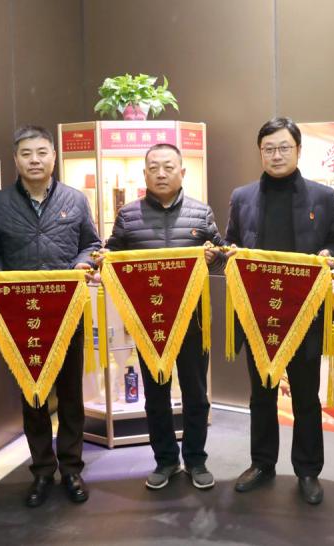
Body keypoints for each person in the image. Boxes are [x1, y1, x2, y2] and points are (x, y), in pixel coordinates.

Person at [0, 125, 101, 508]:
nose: (35, 160)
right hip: (22, 316)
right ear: (16, 159)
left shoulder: (75, 199)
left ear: (53, 157)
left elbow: (91, 244)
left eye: (42, 152)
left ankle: (72, 468)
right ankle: (42, 470)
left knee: (71, 394)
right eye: (26, 154)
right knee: (33, 394)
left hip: (67, 312)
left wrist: (81, 264)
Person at [225, 117, 334, 505]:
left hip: (305, 314)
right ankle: (262, 464)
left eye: (284, 148)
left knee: (306, 397)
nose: (276, 155)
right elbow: (230, 243)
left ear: (298, 150)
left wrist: (329, 254)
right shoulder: (242, 197)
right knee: (261, 395)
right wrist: (231, 253)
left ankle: (308, 471)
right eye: (269, 149)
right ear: (260, 152)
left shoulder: (322, 197)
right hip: (258, 314)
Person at [98, 143, 225, 490]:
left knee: (196, 393)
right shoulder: (128, 215)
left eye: (168, 167)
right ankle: (165, 460)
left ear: (182, 172)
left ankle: (196, 460)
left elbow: (223, 258)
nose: (161, 173)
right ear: (145, 174)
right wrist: (103, 260)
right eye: (153, 168)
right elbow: (112, 257)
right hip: (148, 321)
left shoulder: (201, 213)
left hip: (193, 321)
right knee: (155, 395)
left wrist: (214, 257)